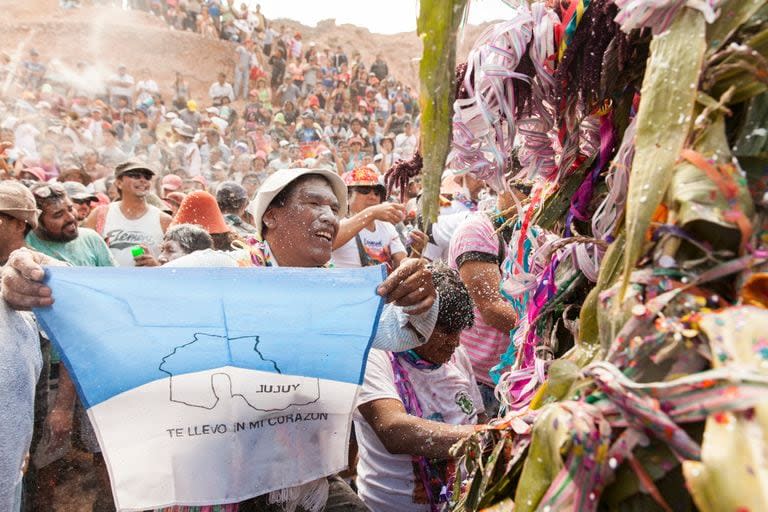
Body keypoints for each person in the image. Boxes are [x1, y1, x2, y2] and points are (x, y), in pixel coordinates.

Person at [2, 167, 438, 512]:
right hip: (215, 484)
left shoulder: (335, 295)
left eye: (333, 207)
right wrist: (34, 271)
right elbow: (124, 298)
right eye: (313, 202)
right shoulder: (218, 271)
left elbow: (405, 331)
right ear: (271, 214)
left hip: (297, 483)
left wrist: (423, 297)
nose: (329, 216)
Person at [354, 262, 483, 512]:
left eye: (458, 331)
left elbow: (478, 414)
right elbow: (392, 429)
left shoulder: (458, 356)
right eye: (445, 331)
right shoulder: (376, 355)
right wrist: (488, 436)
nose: (454, 342)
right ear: (418, 321)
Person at [447, 195, 518, 415]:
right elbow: (492, 308)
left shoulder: (526, 228)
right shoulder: (478, 232)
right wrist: (541, 333)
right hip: (484, 382)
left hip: (512, 378)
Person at [83, 159, 172, 266]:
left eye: (147, 177)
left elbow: (174, 266)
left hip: (148, 281)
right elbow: (85, 257)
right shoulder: (100, 215)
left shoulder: (164, 220)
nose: (143, 180)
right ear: (119, 183)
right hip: (108, 281)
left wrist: (156, 266)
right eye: (135, 176)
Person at [332, 167, 406, 272]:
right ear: (347, 196)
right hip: (346, 286)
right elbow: (329, 243)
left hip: (382, 287)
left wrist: (416, 251)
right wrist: (372, 213)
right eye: (365, 190)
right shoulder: (336, 223)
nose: (373, 197)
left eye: (377, 192)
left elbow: (402, 264)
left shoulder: (388, 227)